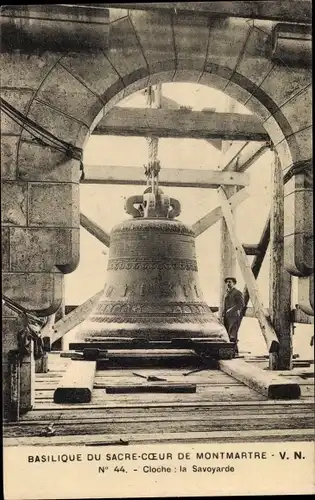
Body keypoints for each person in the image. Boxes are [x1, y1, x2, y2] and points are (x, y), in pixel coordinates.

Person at [222, 277, 244, 355]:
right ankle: (233, 351)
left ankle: (234, 352)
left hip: (234, 317)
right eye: (227, 282)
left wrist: (230, 310)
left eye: (230, 282)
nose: (228, 283)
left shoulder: (237, 292)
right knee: (228, 334)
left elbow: (241, 304)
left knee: (233, 335)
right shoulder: (227, 293)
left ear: (234, 283)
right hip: (227, 317)